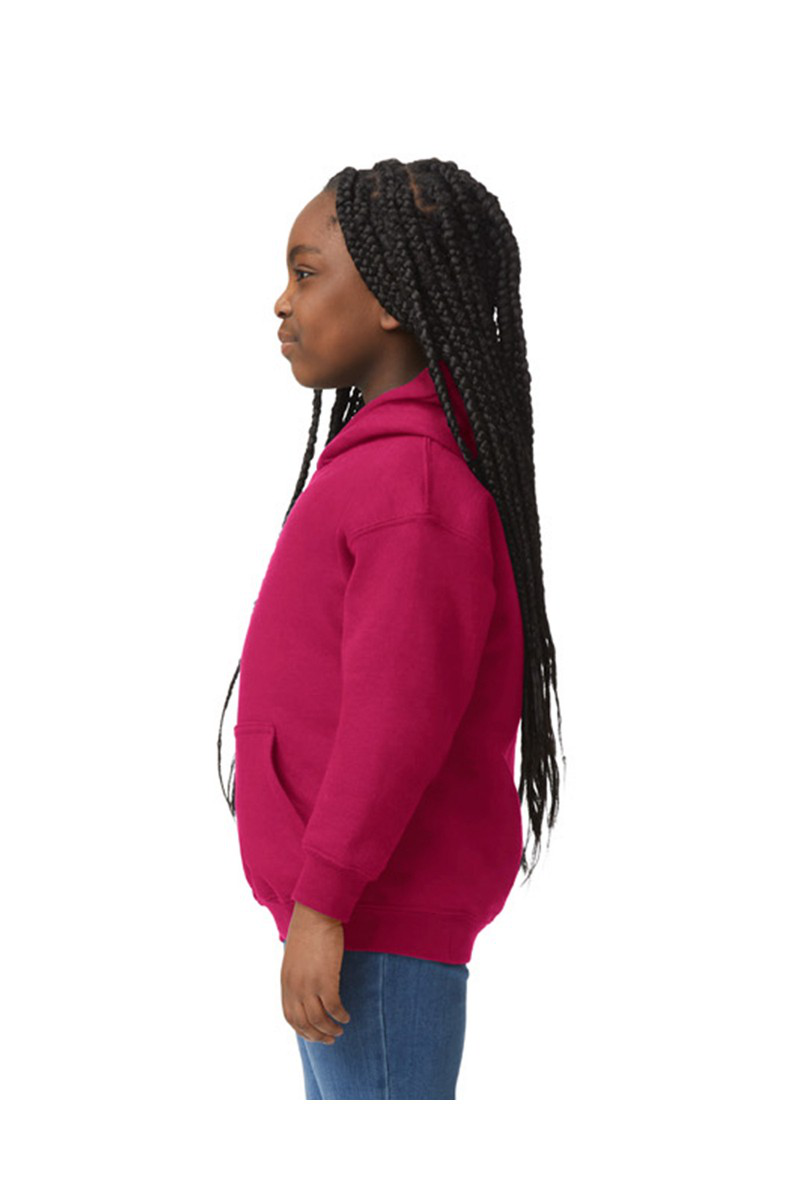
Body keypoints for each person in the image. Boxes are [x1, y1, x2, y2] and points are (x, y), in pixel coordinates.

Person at [217, 158, 565, 1099]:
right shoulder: (380, 470)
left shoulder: (411, 488)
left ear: (389, 298)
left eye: (306, 273)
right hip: (350, 919)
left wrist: (325, 902)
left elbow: (395, 720)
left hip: (371, 922)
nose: (282, 303)